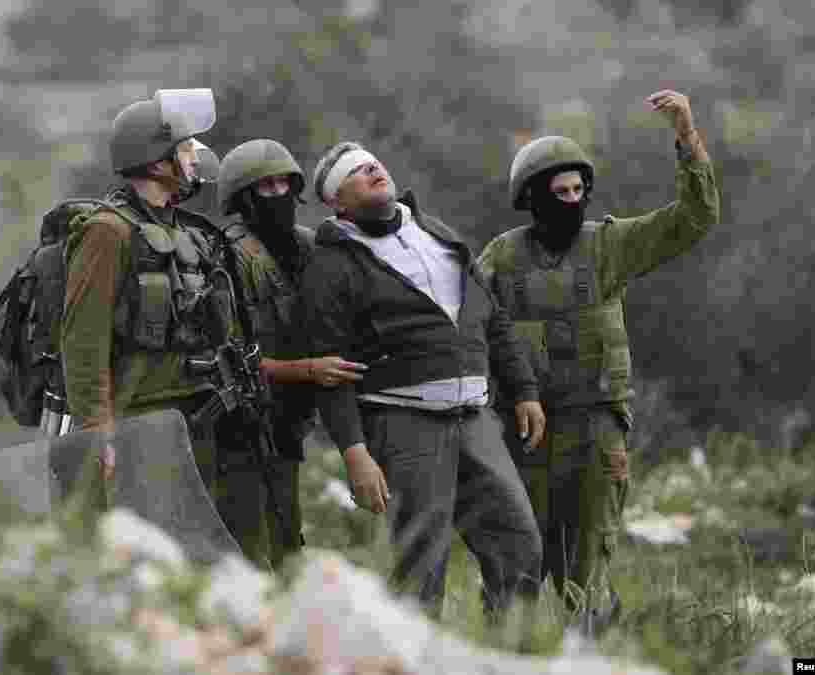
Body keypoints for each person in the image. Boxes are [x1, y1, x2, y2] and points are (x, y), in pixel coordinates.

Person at [476, 89, 721, 630]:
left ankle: (592, 657)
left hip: (594, 429)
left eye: (578, 189)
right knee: (514, 561)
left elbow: (695, 218)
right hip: (524, 430)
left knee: (585, 569)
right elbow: (469, 327)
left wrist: (686, 136)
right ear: (533, 196)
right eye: (558, 191)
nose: (572, 199)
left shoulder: (608, 246)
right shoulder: (502, 256)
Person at [300, 141, 546, 619]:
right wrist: (355, 453)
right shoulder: (331, 265)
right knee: (421, 568)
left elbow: (490, 319)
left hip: (476, 416)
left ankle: (506, 656)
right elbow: (330, 371)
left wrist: (525, 391)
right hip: (403, 424)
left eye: (373, 162)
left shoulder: (437, 234)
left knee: (520, 545)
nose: (372, 168)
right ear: (337, 204)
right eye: (355, 172)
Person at [60, 88, 230, 512]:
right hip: (138, 425)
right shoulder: (108, 231)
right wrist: (97, 430)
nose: (195, 155)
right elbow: (83, 338)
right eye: (186, 146)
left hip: (193, 419)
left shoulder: (186, 233)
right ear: (157, 161)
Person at [214, 138, 367, 570]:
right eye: (267, 188)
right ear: (243, 198)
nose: (280, 196)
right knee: (249, 547)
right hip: (242, 426)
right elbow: (227, 357)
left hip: (290, 422)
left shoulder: (307, 245)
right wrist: (308, 369)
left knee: (286, 543)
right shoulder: (227, 255)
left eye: (286, 185)